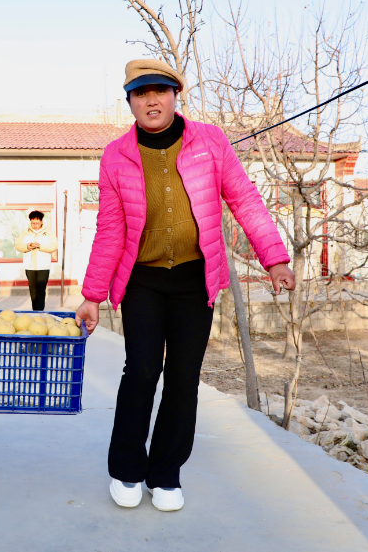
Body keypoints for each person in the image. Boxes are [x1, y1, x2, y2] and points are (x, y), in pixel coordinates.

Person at [75, 59, 296, 512]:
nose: (151, 100)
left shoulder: (210, 141)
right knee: (141, 370)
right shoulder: (116, 155)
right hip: (142, 280)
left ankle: (165, 474)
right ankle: (127, 469)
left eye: (160, 90)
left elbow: (244, 199)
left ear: (175, 96)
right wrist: (92, 295)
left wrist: (273, 258)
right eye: (140, 93)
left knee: (182, 376)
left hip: (196, 280)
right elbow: (111, 229)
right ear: (130, 102)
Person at [15, 210, 57, 311]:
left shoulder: (48, 233)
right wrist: (27, 246)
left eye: (37, 223)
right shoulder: (25, 233)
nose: (34, 225)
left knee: (41, 289)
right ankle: (35, 310)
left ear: (42, 221)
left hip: (43, 266)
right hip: (30, 266)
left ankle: (40, 311)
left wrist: (40, 246)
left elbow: (54, 246)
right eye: (33, 223)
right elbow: (18, 245)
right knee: (33, 290)